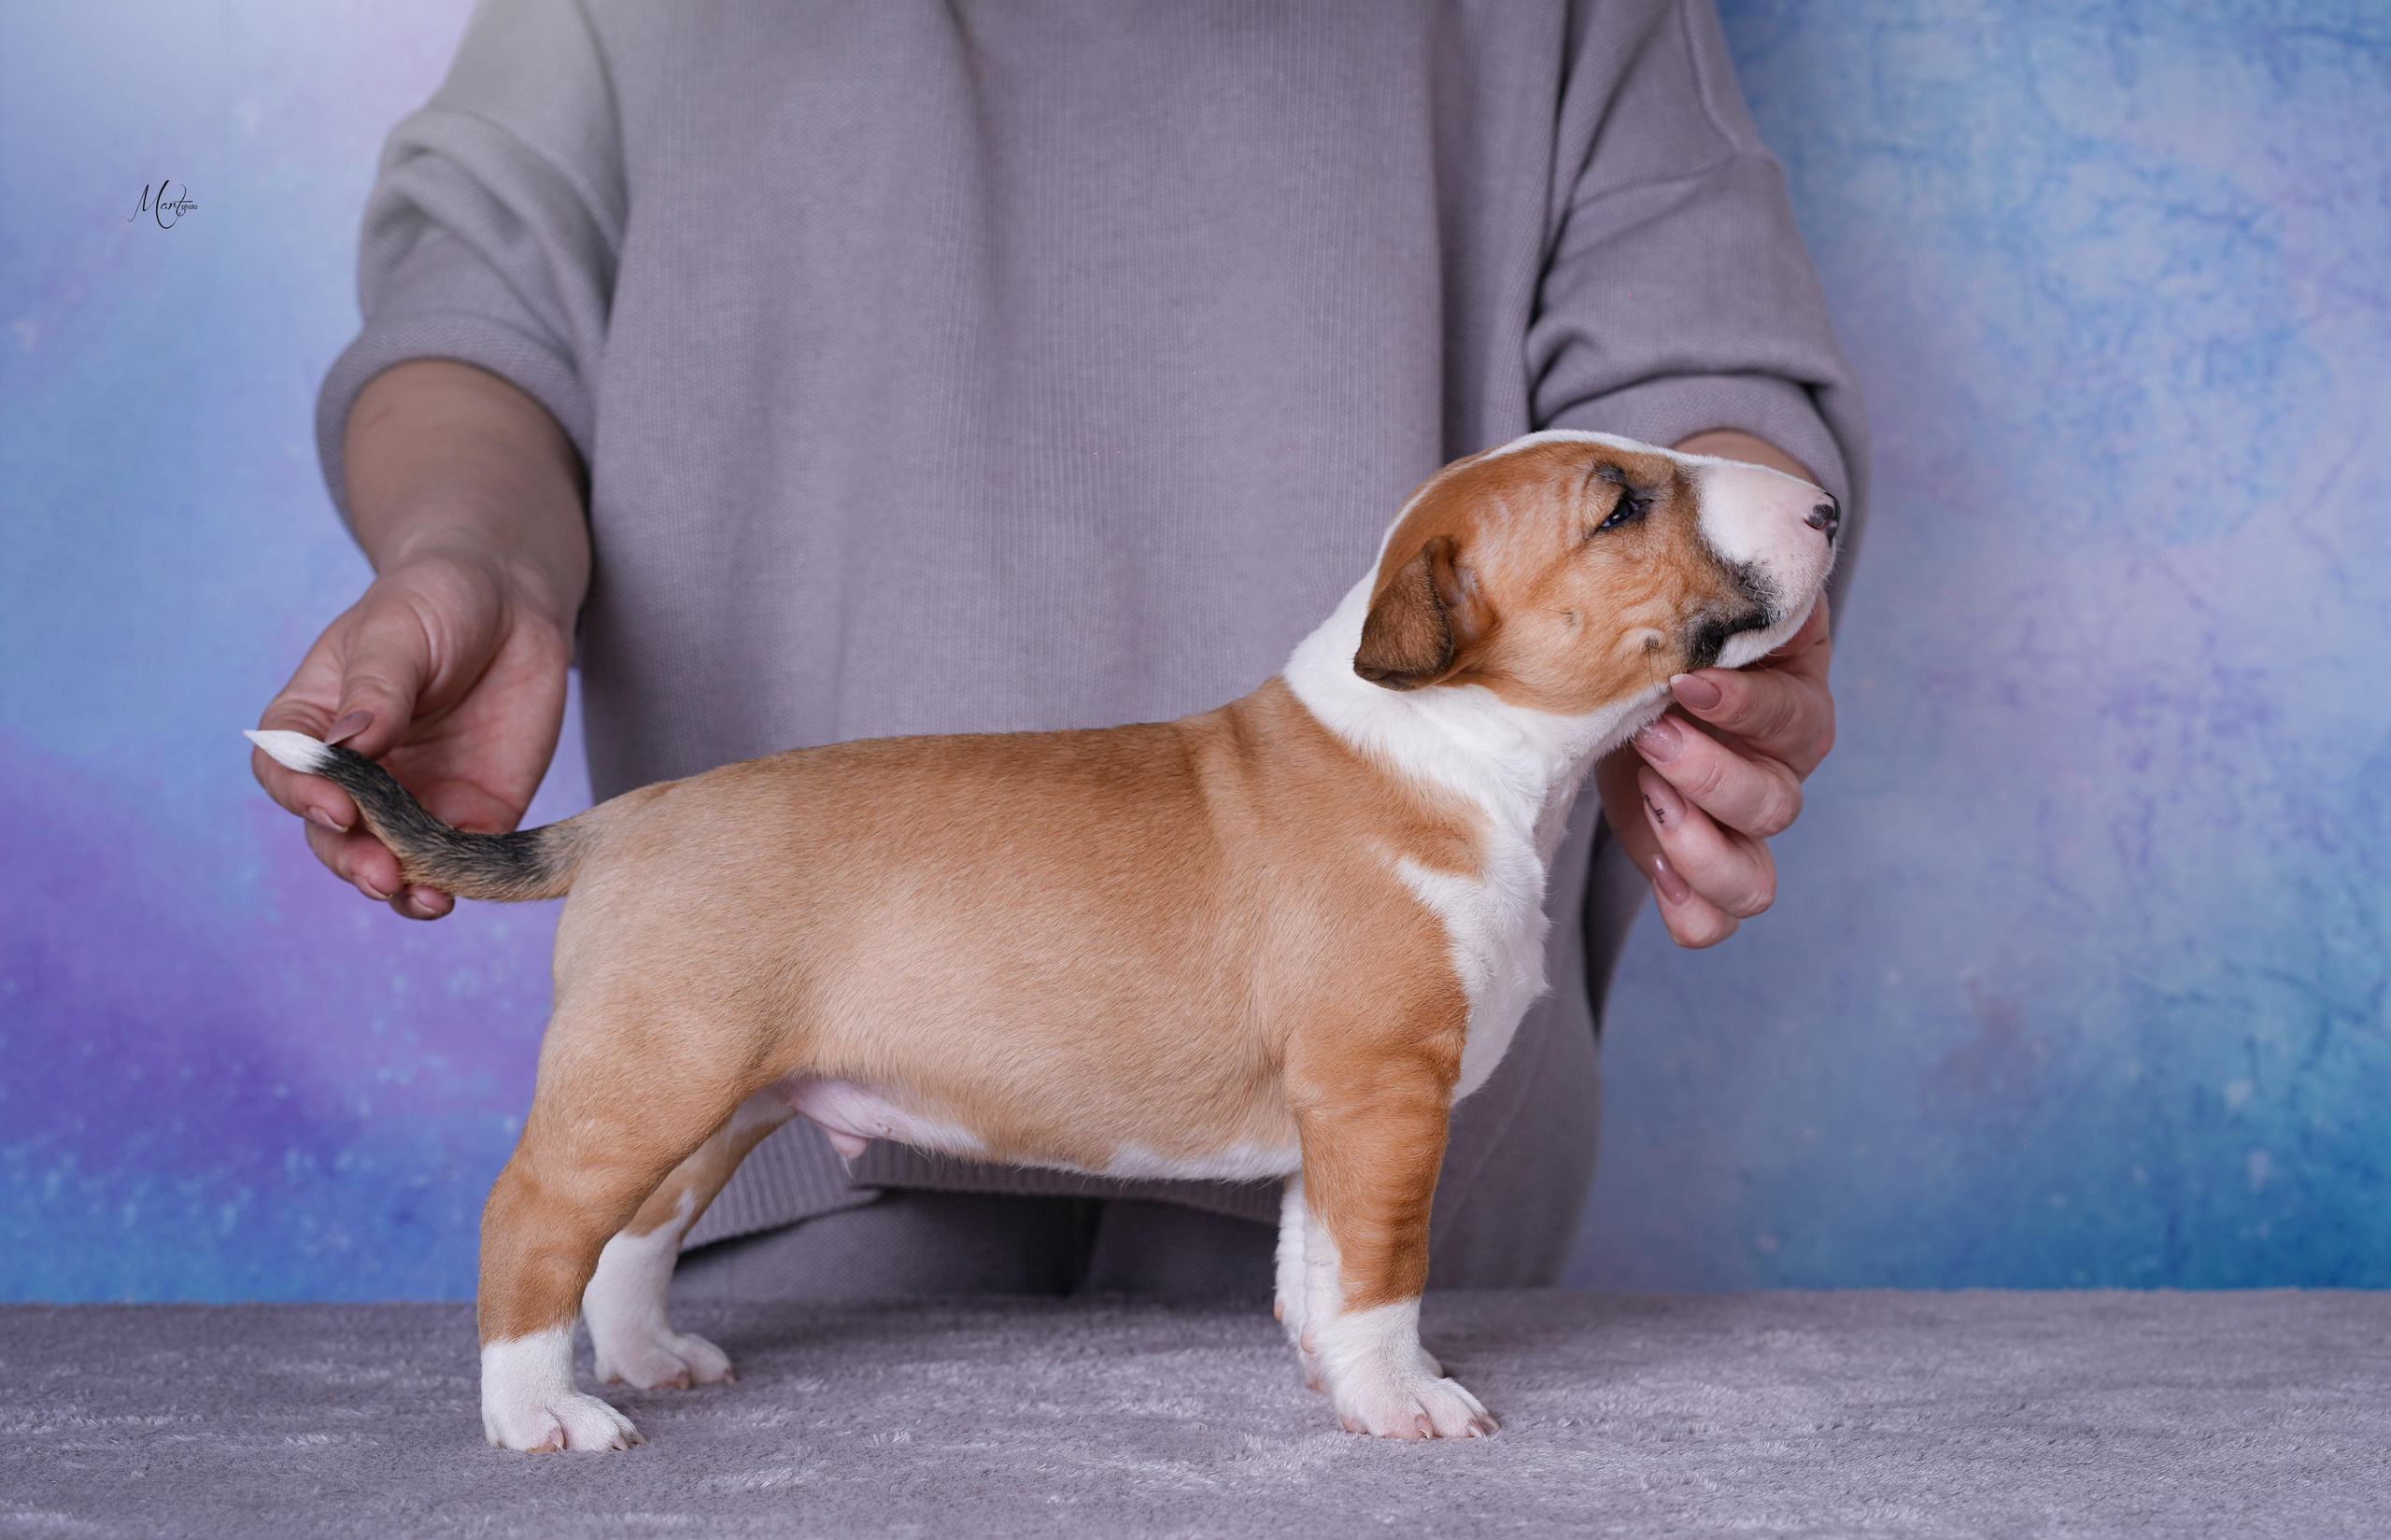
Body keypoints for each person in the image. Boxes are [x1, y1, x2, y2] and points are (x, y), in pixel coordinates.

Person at [254, 0, 1865, 1301]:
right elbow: (478, 295)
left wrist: (1738, 635)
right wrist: (474, 554)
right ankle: (567, 1314)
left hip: (1406, 1164)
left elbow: (1708, 354)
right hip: (792, 1203)